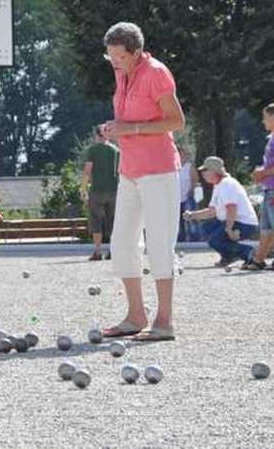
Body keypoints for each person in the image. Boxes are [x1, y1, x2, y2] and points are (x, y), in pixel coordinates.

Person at [98, 22, 185, 342]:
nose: (114, 63)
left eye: (119, 57)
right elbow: (129, 118)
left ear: (136, 53)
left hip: (159, 169)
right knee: (121, 243)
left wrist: (130, 129)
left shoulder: (157, 72)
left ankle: (164, 321)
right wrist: (115, 127)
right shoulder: (122, 73)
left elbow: (176, 121)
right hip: (130, 170)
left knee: (160, 244)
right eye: (110, 58)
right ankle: (136, 315)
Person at [242, 103, 274, 271]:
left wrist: (263, 173)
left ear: (273, 118)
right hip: (271, 188)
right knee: (266, 228)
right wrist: (262, 174)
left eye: (265, 117)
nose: (263, 121)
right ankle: (259, 259)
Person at [183, 157, 258, 267]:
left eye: (205, 170)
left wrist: (229, 230)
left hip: (245, 224)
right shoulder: (219, 185)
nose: (202, 174)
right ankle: (229, 255)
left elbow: (232, 208)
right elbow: (212, 211)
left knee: (215, 239)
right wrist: (193, 215)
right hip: (234, 220)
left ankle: (249, 252)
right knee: (207, 228)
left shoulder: (227, 184)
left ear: (215, 171)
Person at [81, 125, 119, 260]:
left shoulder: (92, 150)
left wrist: (83, 189)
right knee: (113, 221)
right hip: (114, 190)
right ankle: (113, 250)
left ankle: (97, 251)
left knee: (96, 220)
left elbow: (87, 171)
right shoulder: (116, 150)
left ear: (96, 135)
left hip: (97, 190)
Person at [177, 148, 200, 243]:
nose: (182, 157)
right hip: (176, 198)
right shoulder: (174, 167)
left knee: (191, 218)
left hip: (187, 197)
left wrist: (191, 191)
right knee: (178, 221)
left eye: (183, 155)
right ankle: (180, 239)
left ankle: (195, 238)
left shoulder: (189, 167)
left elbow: (195, 179)